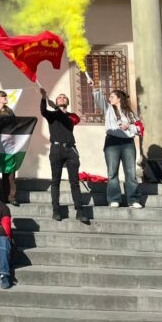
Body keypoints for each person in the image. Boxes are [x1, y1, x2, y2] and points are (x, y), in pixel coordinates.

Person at [87, 78, 142, 208]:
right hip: (112, 142)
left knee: (131, 172)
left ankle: (133, 200)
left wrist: (128, 126)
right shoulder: (108, 109)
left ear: (119, 99)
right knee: (112, 172)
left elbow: (140, 128)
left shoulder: (130, 114)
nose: (109, 98)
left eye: (112, 96)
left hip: (128, 143)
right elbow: (99, 99)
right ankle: (114, 199)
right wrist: (94, 87)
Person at [40, 89, 88, 224]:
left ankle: (80, 211)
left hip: (70, 149)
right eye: (59, 97)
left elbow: (68, 121)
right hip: (56, 149)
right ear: (55, 101)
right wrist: (43, 98)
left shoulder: (72, 116)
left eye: (64, 97)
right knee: (55, 181)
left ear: (67, 101)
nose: (61, 98)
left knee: (74, 182)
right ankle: (56, 210)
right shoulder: (53, 115)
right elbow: (43, 112)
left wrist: (55, 107)